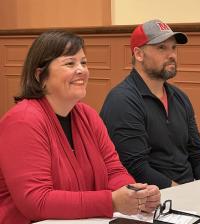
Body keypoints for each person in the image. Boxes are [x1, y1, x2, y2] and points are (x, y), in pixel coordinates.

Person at [0, 31, 160, 224]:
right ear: (40, 75)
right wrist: (111, 202)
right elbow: (36, 201)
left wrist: (135, 194)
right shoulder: (23, 121)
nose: (82, 70)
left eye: (83, 63)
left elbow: (113, 171)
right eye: (70, 63)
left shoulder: (88, 115)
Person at [100, 19, 200, 190]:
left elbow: (198, 155)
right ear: (139, 54)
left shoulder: (180, 98)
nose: (172, 55)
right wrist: (184, 194)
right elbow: (136, 168)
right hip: (150, 200)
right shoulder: (122, 100)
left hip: (187, 191)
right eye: (161, 48)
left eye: (173, 48)